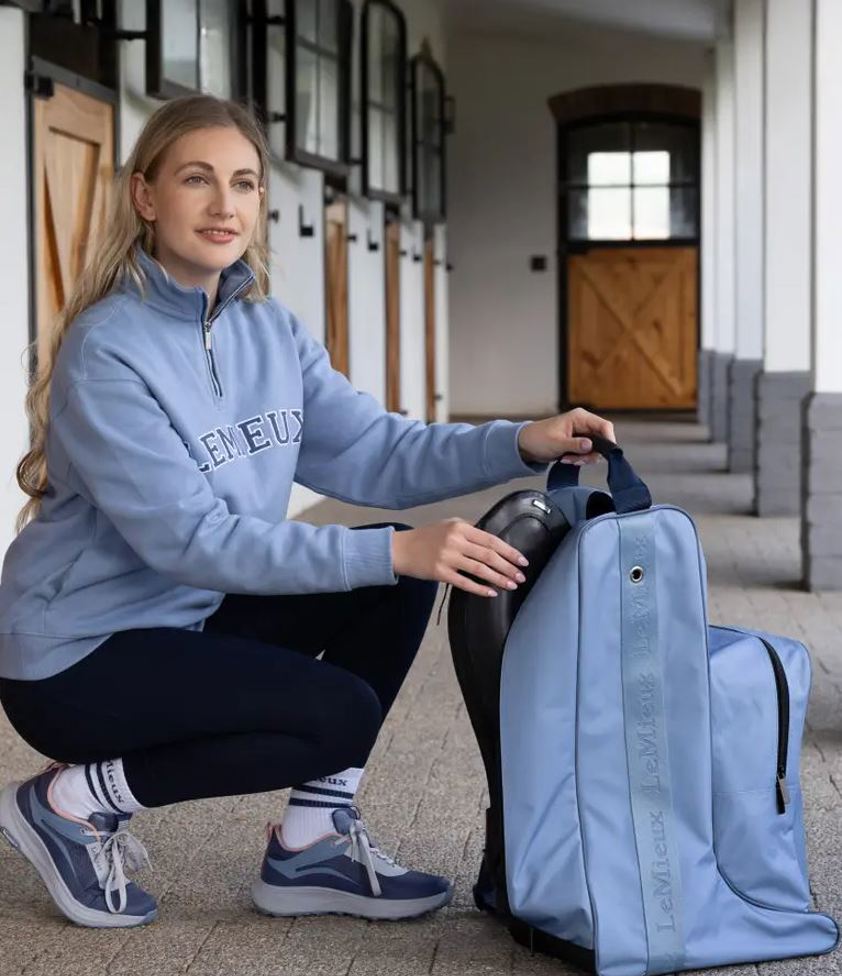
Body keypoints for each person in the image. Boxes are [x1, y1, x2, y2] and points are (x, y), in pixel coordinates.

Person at [0, 94, 615, 930]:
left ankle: (311, 844)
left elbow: (378, 453)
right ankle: (70, 802)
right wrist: (393, 555)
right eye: (197, 179)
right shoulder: (108, 351)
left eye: (245, 183)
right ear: (146, 196)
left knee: (394, 572)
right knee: (339, 707)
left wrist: (522, 442)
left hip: (189, 618)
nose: (225, 205)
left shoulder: (268, 329)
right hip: (77, 656)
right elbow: (192, 541)